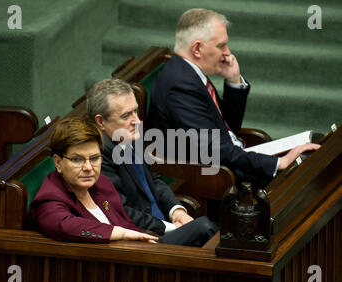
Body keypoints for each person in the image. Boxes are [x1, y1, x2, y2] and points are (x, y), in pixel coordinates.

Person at [148, 8, 320, 188]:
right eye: (221, 46)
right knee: (308, 175)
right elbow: (215, 150)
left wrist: (233, 81)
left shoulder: (189, 72)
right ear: (197, 48)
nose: (227, 53)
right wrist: (279, 163)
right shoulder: (180, 85)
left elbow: (229, 126)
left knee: (313, 148)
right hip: (212, 176)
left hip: (227, 161)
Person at [87, 78, 218, 247]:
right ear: (100, 122)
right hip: (140, 239)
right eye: (126, 115)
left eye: (136, 111)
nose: (136, 120)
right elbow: (120, 210)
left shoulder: (130, 136)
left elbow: (153, 180)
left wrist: (176, 211)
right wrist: (168, 227)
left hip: (161, 226)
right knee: (205, 227)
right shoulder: (96, 155)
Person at [30, 117, 159, 244]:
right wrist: (122, 233)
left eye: (94, 158)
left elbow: (124, 221)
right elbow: (65, 225)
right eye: (77, 160)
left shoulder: (102, 183)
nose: (88, 167)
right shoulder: (50, 198)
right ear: (58, 162)